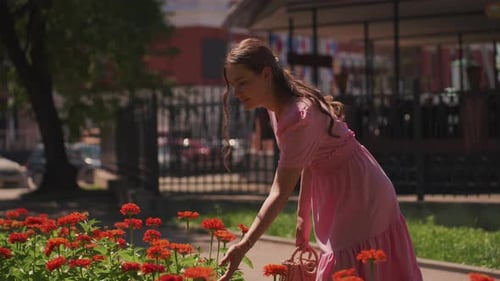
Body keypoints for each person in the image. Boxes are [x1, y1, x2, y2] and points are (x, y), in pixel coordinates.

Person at [218, 38, 423, 281]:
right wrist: (302, 221)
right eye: (233, 85)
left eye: (243, 83)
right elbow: (309, 161)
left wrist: (244, 245)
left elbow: (280, 191)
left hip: (360, 191)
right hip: (337, 189)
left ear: (265, 74)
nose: (238, 93)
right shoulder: (277, 108)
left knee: (350, 268)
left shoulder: (298, 116)